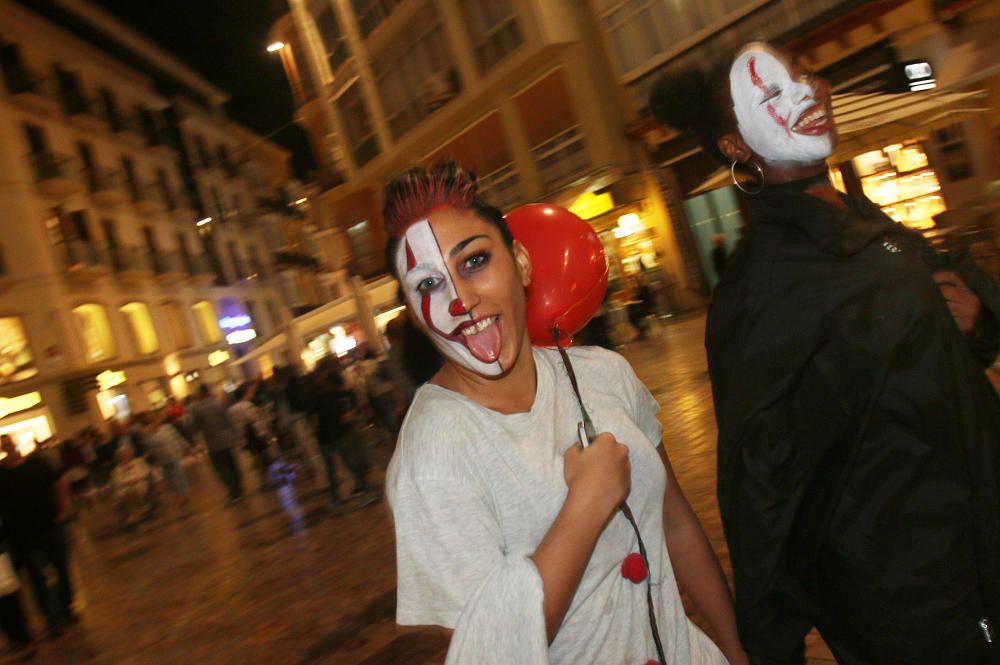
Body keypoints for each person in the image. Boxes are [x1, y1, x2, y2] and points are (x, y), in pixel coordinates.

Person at [650, 41, 1000, 665]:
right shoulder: (761, 291)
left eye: (803, 73)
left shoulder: (868, 223)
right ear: (735, 145)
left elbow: (969, 315)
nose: (806, 91)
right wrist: (772, 646)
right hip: (910, 604)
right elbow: (759, 485)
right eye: (770, 92)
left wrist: (974, 321)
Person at [383, 162, 746, 665]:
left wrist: (735, 649)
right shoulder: (432, 455)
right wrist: (587, 502)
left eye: (474, 261)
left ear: (522, 262)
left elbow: (677, 524)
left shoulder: (605, 373)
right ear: (410, 310)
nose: (461, 300)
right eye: (427, 285)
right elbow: (490, 654)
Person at [0, 435, 77, 638]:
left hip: (51, 527)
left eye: (9, 443)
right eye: (3, 445)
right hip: (24, 536)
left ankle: (66, 608)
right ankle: (53, 619)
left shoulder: (37, 463)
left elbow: (60, 483)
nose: (7, 448)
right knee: (38, 578)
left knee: (62, 570)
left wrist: (62, 511)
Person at [313, 371, 379, 509]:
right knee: (350, 465)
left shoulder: (320, 399)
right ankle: (367, 490)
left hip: (326, 438)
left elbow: (317, 421)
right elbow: (346, 417)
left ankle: (336, 499)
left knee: (332, 470)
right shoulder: (340, 396)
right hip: (337, 435)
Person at [188, 384, 243, 504]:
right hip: (227, 439)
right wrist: (234, 435)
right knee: (232, 464)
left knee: (222, 469)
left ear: (201, 394)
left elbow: (194, 427)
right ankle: (239, 487)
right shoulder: (219, 403)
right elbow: (228, 420)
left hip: (213, 443)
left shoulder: (198, 409)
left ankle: (234, 493)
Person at [228, 382, 275, 491]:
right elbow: (255, 421)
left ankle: (262, 481)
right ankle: (268, 479)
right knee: (265, 457)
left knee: (256, 459)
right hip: (254, 434)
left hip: (246, 437)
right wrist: (265, 434)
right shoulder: (247, 405)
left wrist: (240, 441)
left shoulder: (231, 410)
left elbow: (234, 427)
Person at [143, 409, 190, 507]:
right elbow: (149, 445)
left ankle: (183, 495)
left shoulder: (167, 428)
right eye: (152, 420)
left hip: (173, 454)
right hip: (162, 459)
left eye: (156, 419)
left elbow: (177, 437)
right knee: (170, 479)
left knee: (178, 476)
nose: (155, 421)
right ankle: (178, 495)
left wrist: (186, 447)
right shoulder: (149, 433)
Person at [111, 446, 153, 526]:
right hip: (125, 485)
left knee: (135, 489)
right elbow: (117, 481)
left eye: (127, 453)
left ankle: (136, 514)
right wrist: (127, 483)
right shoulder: (117, 469)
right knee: (126, 493)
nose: (126, 455)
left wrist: (137, 479)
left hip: (139, 482)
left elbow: (146, 472)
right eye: (123, 454)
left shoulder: (139, 461)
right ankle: (135, 513)